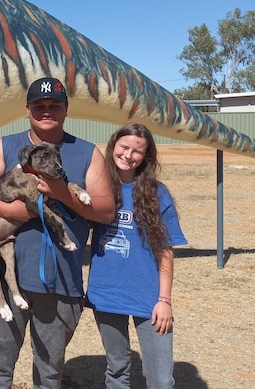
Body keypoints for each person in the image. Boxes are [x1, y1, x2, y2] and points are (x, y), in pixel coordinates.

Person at [0, 77, 115, 389]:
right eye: (39, 105)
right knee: (1, 364)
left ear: (66, 109)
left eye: (54, 105)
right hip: (8, 274)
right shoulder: (7, 146)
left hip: (61, 281)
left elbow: (106, 211)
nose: (46, 111)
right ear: (27, 109)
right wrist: (9, 211)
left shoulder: (86, 153)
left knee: (49, 370)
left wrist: (62, 193)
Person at [86, 123, 188, 389]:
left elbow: (166, 250)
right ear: (113, 147)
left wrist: (164, 300)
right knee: (117, 369)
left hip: (149, 299)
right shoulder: (96, 189)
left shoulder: (157, 194)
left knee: (161, 379)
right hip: (106, 294)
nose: (128, 155)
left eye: (137, 151)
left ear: (146, 157)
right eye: (124, 147)